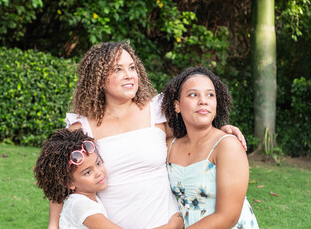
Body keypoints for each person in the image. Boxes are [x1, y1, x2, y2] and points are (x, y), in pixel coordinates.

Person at [49, 41, 247, 229]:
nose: (129, 75)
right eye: (118, 69)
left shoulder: (156, 112)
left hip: (166, 223)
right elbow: (60, 177)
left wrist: (222, 130)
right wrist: (53, 224)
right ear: (98, 79)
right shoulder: (82, 129)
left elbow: (195, 131)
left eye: (132, 67)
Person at [161, 67, 259, 228]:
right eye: (193, 94)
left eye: (210, 95)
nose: (203, 101)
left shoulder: (227, 145)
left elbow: (228, 217)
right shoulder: (169, 146)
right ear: (177, 106)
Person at [34, 128, 183, 229]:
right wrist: (171, 226)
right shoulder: (80, 205)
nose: (98, 172)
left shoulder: (87, 198)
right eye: (87, 172)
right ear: (70, 183)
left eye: (98, 163)